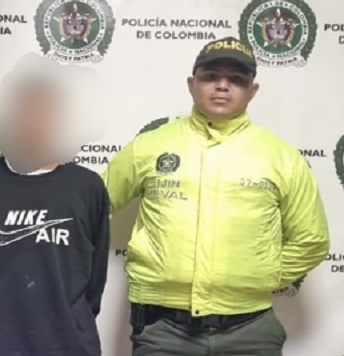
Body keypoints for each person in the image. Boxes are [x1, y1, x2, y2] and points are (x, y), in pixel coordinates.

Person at [102, 36, 330, 356]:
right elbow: (91, 206)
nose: (222, 86)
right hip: (162, 330)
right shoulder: (149, 146)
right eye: (211, 76)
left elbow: (311, 239)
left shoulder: (282, 157)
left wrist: (261, 273)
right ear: (192, 84)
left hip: (251, 331)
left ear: (252, 91)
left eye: (236, 79)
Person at [0, 56, 110, 356]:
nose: (35, 118)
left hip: (67, 345)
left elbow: (94, 280)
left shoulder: (87, 187)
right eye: (25, 109)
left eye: (46, 109)